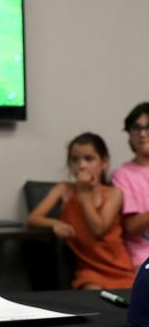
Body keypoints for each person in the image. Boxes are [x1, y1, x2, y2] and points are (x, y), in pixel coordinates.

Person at [27, 132, 134, 290]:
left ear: (104, 162)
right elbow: (33, 218)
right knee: (94, 296)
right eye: (75, 159)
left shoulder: (113, 193)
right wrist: (55, 223)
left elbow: (99, 229)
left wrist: (84, 193)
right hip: (90, 271)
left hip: (118, 267)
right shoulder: (64, 189)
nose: (81, 165)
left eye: (89, 159)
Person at [111, 102, 149, 269]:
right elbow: (132, 227)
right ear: (129, 134)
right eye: (136, 128)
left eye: (148, 128)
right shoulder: (122, 175)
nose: (142, 134)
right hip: (143, 259)